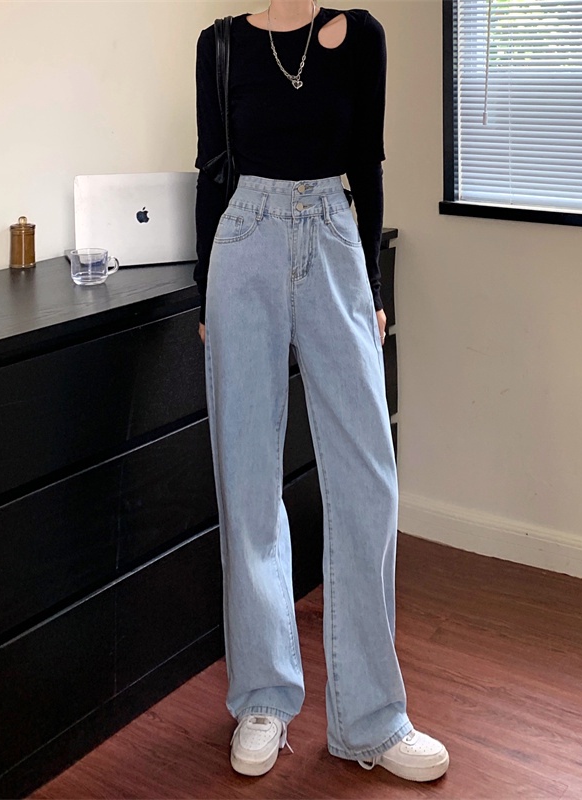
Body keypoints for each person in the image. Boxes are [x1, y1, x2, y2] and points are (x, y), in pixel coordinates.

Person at [193, 1, 449, 782]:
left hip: (334, 239)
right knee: (248, 477)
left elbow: (367, 165)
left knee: (369, 476)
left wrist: (373, 288)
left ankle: (372, 718)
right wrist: (205, 292)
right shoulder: (220, 44)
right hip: (245, 243)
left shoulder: (362, 35)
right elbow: (212, 172)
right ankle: (263, 696)